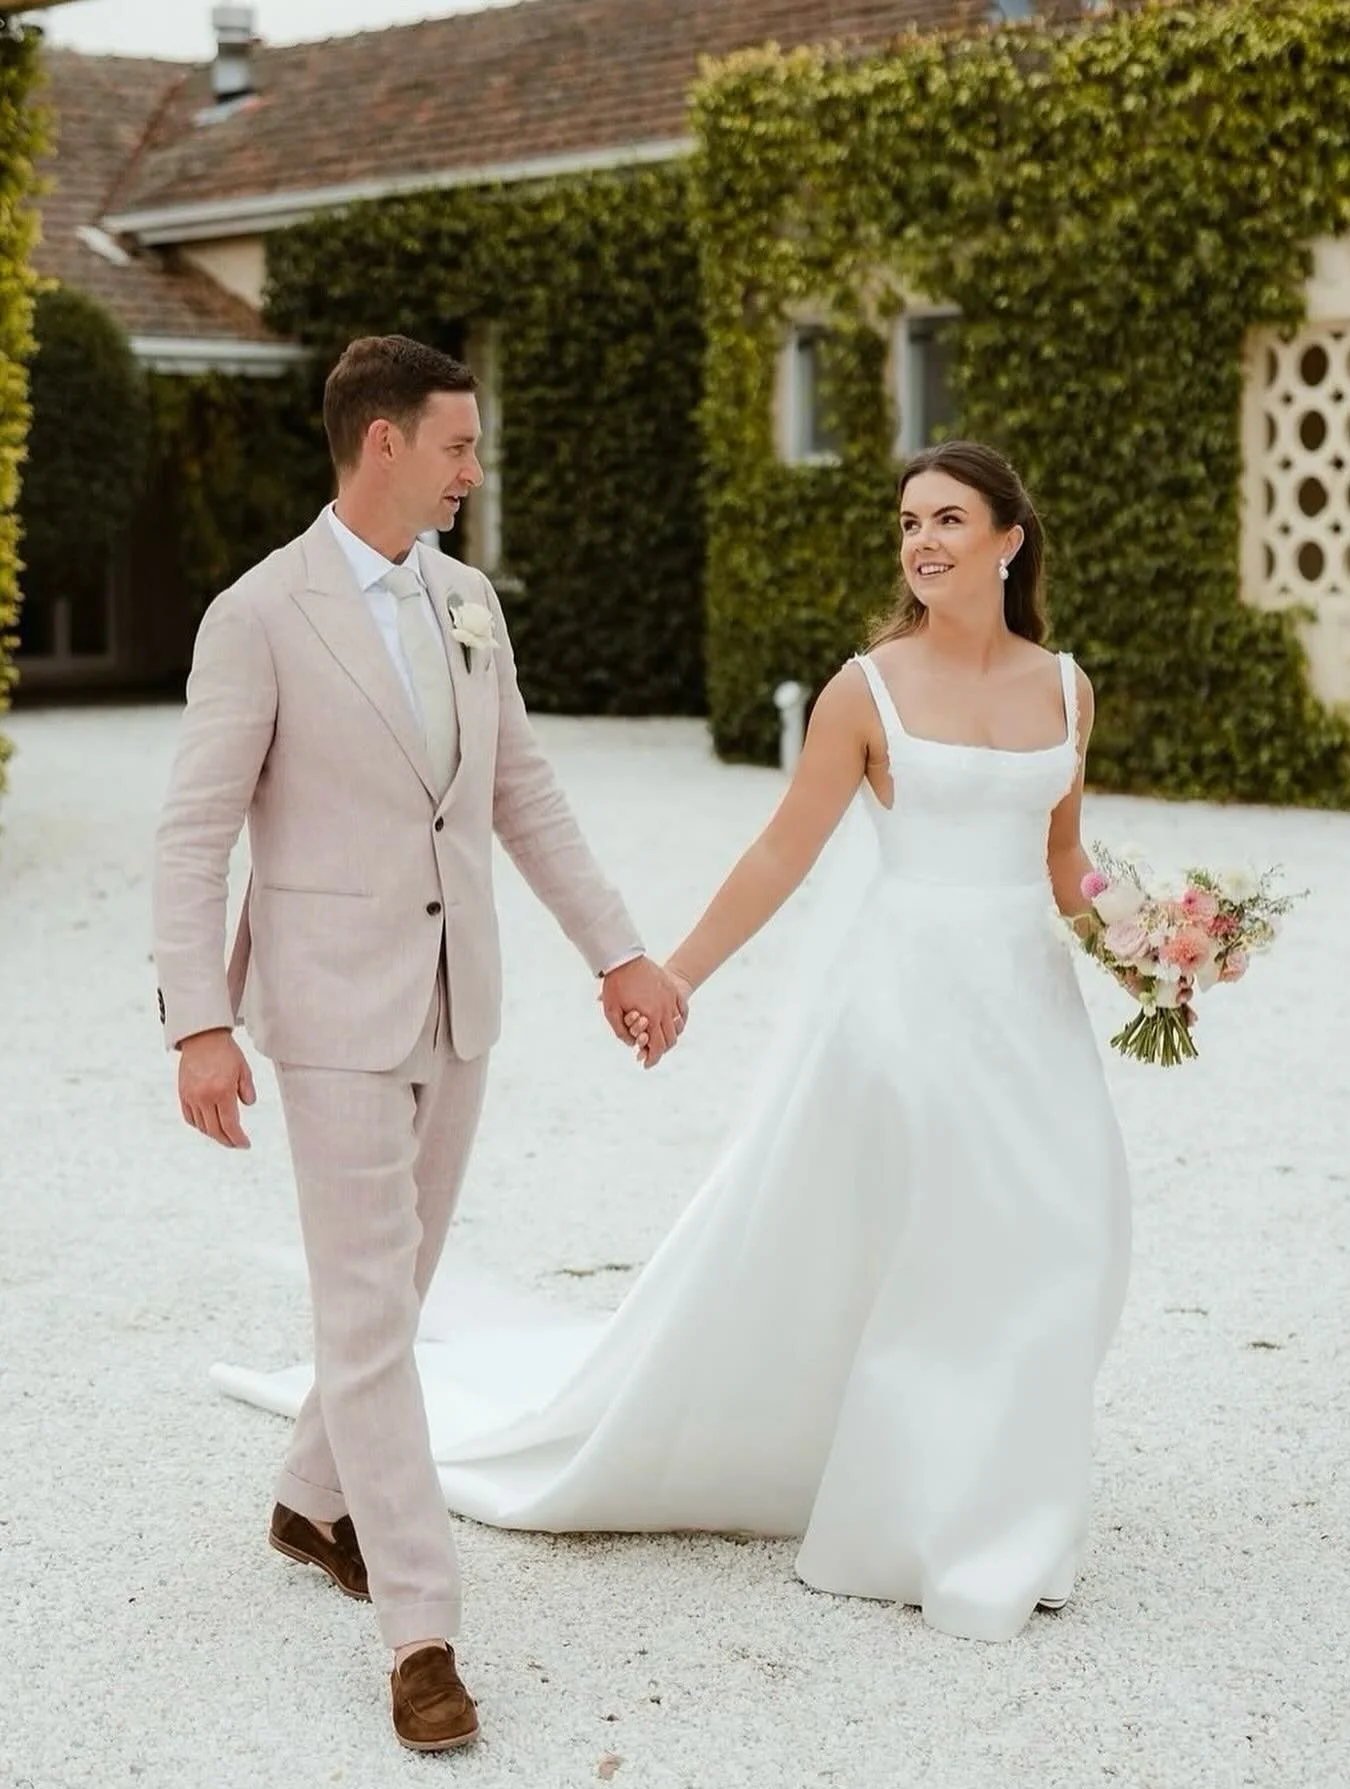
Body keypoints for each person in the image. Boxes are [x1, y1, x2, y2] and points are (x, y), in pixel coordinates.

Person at [219, 438, 1134, 1650]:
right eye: (909, 522)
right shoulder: (869, 688)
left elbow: (1067, 866)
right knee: (943, 1257)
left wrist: (1171, 943)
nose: (923, 543)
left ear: (1010, 539)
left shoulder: (1067, 689)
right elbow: (778, 852)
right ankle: (920, 1525)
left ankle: (1012, 1504)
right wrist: (673, 976)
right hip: (909, 1019)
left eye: (950, 520)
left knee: (1065, 1244)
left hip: (1032, 1015)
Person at [152, 334, 686, 1753]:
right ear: (381, 444)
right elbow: (196, 832)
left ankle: (310, 1492)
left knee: (399, 1287)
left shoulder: (468, 601)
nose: (475, 469)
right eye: (459, 445)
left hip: (459, 999)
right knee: (375, 1306)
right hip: (325, 1012)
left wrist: (618, 950)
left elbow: (521, 789)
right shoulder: (257, 613)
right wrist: (201, 1021)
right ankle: (422, 1629)